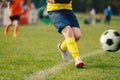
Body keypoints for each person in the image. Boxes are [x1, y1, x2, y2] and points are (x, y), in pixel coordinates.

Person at [47, 0, 84, 68]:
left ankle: (62, 47)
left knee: (77, 35)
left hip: (68, 10)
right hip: (55, 11)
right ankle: (77, 59)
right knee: (68, 32)